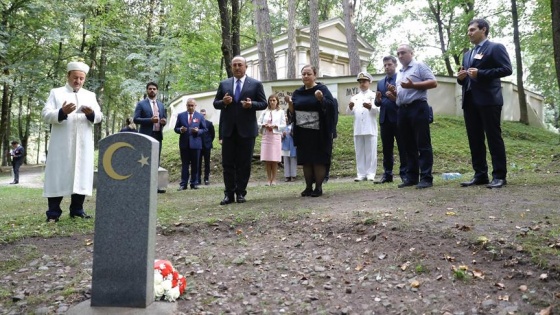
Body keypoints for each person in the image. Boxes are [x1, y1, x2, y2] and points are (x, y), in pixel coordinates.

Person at [41, 61, 104, 222]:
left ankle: (77, 210)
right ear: (68, 76)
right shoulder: (56, 93)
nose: (78, 81)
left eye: (81, 78)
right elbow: (45, 115)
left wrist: (90, 114)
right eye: (75, 77)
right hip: (62, 144)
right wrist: (61, 112)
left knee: (81, 173)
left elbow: (99, 116)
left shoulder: (90, 95)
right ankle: (53, 213)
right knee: (58, 175)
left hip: (83, 142)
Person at [457, 19, 512, 189]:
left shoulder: (495, 48)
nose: (469, 33)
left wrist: (481, 73)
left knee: (493, 137)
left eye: (472, 30)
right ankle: (480, 175)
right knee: (475, 139)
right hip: (470, 100)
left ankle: (499, 176)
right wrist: (461, 79)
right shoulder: (468, 54)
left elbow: (507, 69)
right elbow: (466, 79)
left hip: (489, 100)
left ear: (484, 30)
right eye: (469, 30)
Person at [213, 55, 267, 205]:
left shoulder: (255, 84)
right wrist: (223, 102)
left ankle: (241, 192)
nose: (237, 67)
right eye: (234, 65)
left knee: (244, 163)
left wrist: (252, 104)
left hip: (247, 131)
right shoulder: (224, 84)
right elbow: (215, 103)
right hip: (229, 130)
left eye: (240, 65)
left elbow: (263, 103)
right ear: (231, 67)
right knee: (228, 163)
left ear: (246, 67)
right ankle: (228, 194)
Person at [386, 44, 437, 189]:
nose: (400, 56)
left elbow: (433, 82)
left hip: (418, 107)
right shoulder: (400, 72)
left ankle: (426, 177)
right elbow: (404, 93)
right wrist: (394, 93)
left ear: (411, 53)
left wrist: (413, 85)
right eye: (398, 54)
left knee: (423, 144)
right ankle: (412, 177)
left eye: (403, 53)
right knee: (408, 145)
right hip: (402, 110)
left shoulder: (419, 66)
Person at [284, 65, 336, 197]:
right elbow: (292, 113)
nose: (306, 76)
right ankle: (308, 187)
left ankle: (318, 187)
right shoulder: (297, 92)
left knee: (318, 160)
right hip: (303, 132)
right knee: (306, 160)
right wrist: (290, 104)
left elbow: (331, 106)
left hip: (319, 133)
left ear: (315, 75)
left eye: (308, 74)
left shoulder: (322, 89)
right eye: (303, 74)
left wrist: (321, 99)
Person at [375, 55, 407, 184]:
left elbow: (404, 98)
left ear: (395, 65)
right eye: (385, 65)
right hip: (385, 120)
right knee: (386, 149)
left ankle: (404, 174)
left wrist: (395, 95)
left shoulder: (400, 79)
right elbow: (377, 103)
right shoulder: (380, 83)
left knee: (402, 148)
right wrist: (377, 100)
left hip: (399, 118)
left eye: (389, 64)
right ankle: (387, 174)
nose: (387, 67)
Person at [347, 72, 379, 182]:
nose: (362, 84)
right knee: (359, 152)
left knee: (371, 151)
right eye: (360, 82)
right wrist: (350, 107)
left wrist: (371, 107)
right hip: (358, 127)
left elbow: (378, 110)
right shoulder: (355, 97)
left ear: (369, 82)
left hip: (370, 127)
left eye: (364, 81)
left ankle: (370, 174)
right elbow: (348, 113)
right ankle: (361, 174)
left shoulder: (374, 96)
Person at [174, 98, 207, 190]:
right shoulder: (181, 116)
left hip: (196, 144)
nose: (190, 107)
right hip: (184, 144)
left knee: (195, 164)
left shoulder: (200, 116)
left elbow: (204, 129)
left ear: (195, 106)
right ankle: (183, 184)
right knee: (185, 164)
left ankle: (194, 183)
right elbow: (176, 128)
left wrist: (198, 131)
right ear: (186, 106)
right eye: (189, 105)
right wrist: (180, 130)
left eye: (192, 105)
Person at [134, 82, 167, 166]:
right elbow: (136, 119)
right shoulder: (141, 104)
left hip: (158, 135)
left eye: (154, 89)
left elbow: (163, 118)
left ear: (157, 91)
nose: (152, 90)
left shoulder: (161, 105)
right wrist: (150, 120)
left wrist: (164, 122)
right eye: (150, 89)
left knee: (156, 160)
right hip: (146, 135)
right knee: (144, 160)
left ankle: (155, 178)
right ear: (147, 91)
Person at [258, 94, 286, 186]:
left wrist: (275, 126)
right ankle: (268, 179)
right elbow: (258, 122)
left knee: (274, 159)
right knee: (267, 159)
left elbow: (283, 125)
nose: (272, 102)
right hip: (266, 135)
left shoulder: (281, 112)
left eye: (274, 100)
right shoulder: (265, 112)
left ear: (277, 101)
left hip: (275, 136)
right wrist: (263, 125)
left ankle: (274, 179)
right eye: (270, 100)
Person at [197, 108, 215, 185]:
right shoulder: (197, 124)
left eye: (204, 114)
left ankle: (206, 179)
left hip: (207, 146)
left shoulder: (209, 123)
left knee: (207, 163)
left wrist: (209, 142)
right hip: (198, 146)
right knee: (198, 163)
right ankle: (198, 179)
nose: (203, 115)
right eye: (201, 114)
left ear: (205, 114)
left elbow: (212, 134)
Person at [281, 114, 297, 182]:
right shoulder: (282, 126)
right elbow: (279, 137)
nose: (286, 119)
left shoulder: (293, 125)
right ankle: (287, 176)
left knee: (293, 160)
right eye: (285, 118)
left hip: (293, 146)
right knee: (286, 161)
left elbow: (297, 135)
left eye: (287, 117)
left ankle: (293, 176)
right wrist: (283, 135)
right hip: (285, 146)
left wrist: (292, 134)